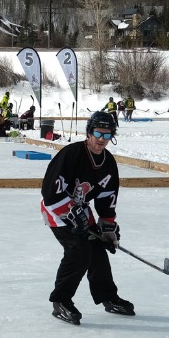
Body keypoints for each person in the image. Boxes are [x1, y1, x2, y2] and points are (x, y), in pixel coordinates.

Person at [39, 110, 134, 325]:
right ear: (89, 132)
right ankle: (61, 301)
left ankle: (107, 297)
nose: (102, 140)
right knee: (79, 250)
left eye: (107, 135)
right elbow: (50, 193)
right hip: (57, 210)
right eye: (98, 134)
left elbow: (107, 197)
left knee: (98, 249)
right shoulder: (71, 154)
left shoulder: (108, 163)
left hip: (81, 209)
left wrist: (108, 229)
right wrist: (72, 212)